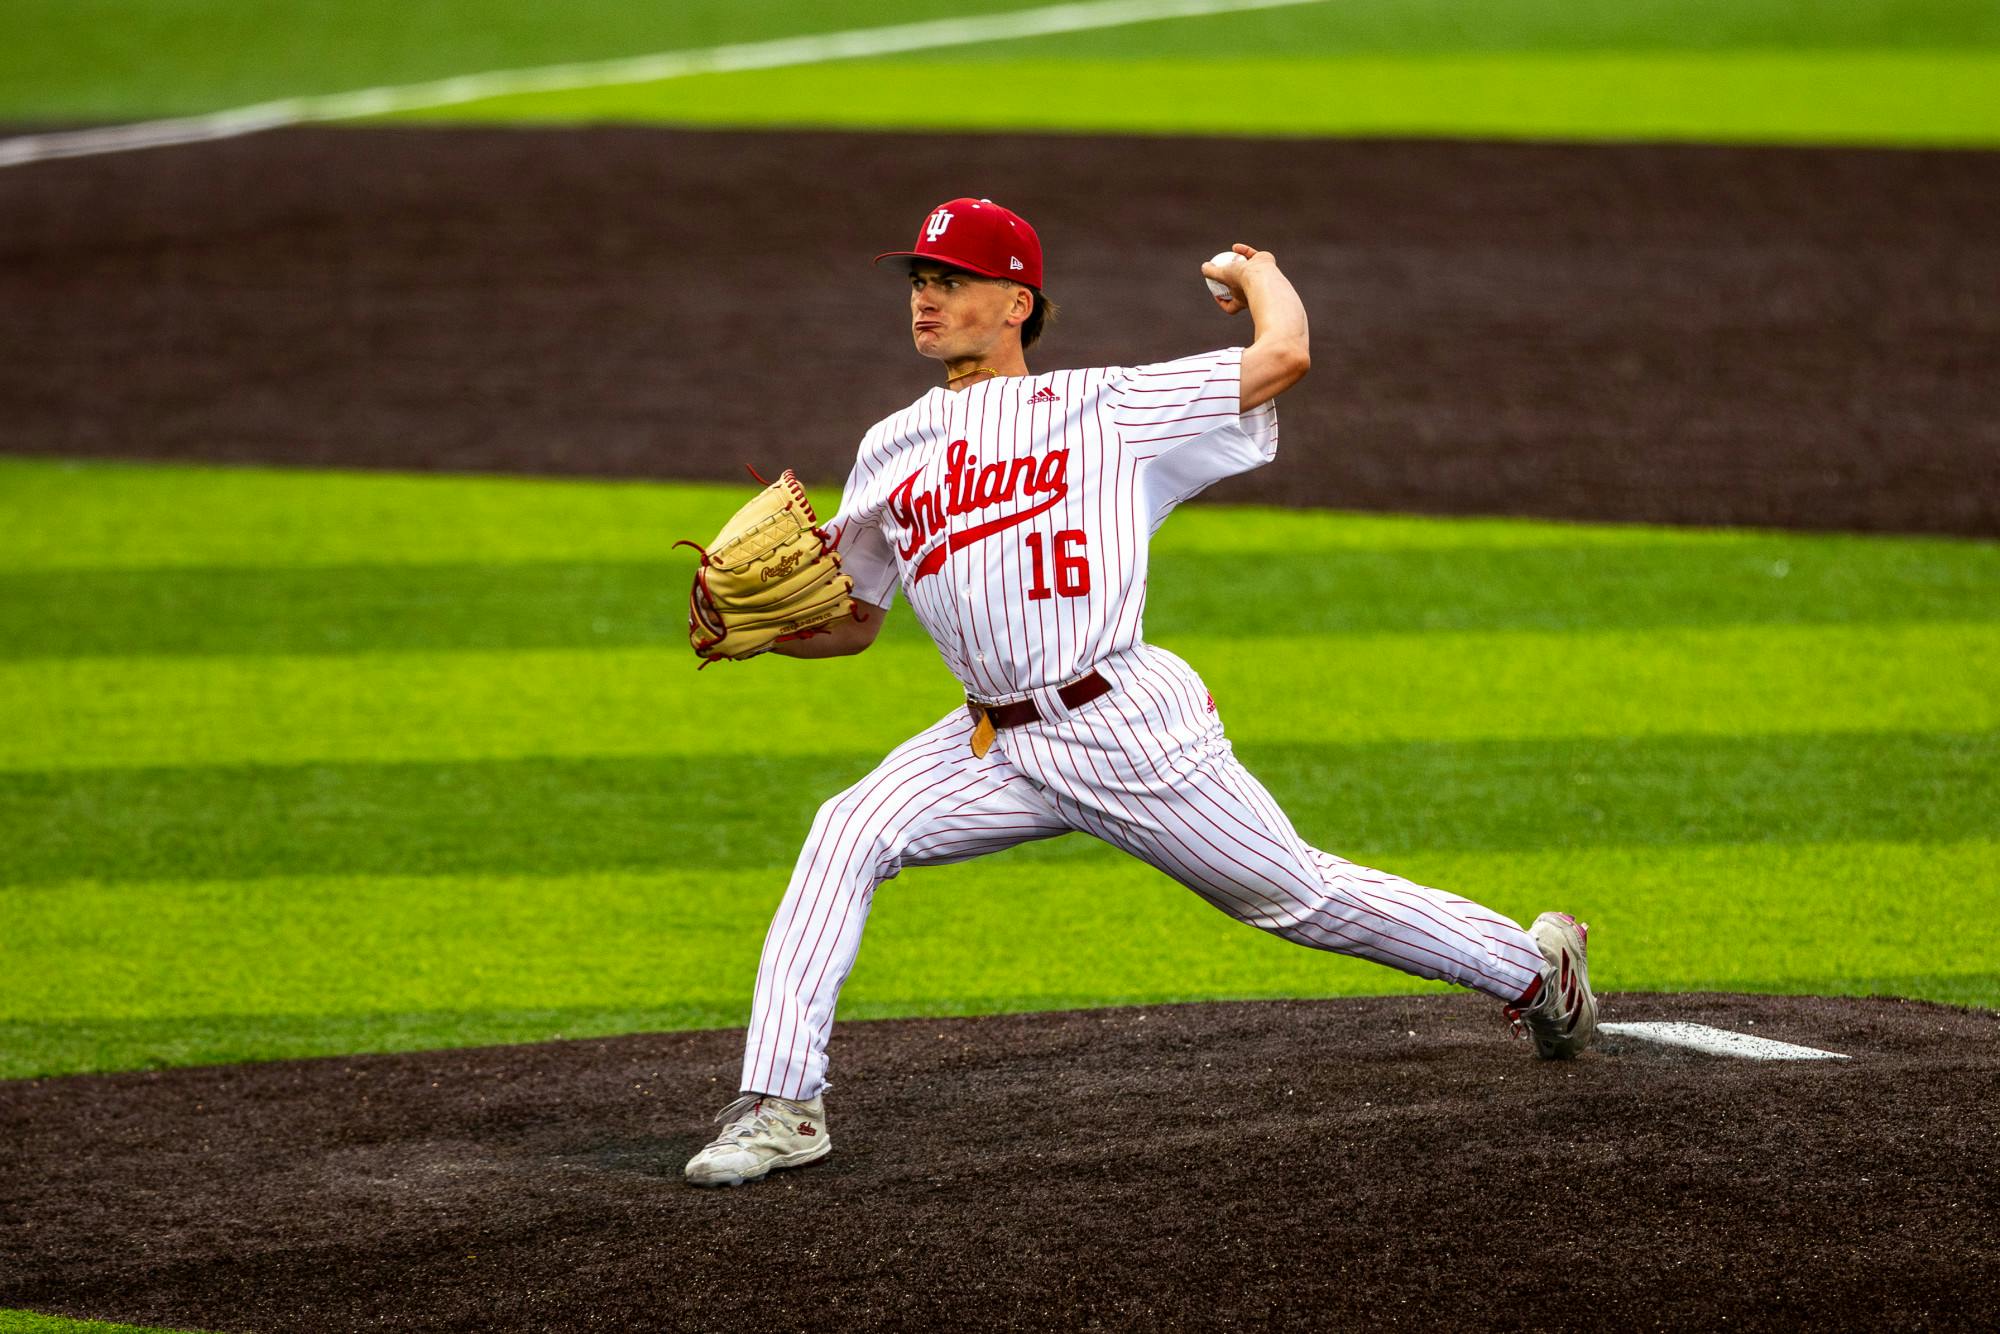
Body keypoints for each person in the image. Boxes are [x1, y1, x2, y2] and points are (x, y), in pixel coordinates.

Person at [682, 198, 1597, 1188]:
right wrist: (760, 636)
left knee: (1294, 894)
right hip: (987, 742)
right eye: (918, 280)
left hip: (1124, 728)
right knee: (846, 829)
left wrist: (1257, 273)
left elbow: (1282, 355)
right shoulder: (888, 447)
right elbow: (856, 620)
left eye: (949, 280)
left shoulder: (1106, 405)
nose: (924, 297)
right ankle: (780, 1101)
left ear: (1014, 301)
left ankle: (1533, 969)